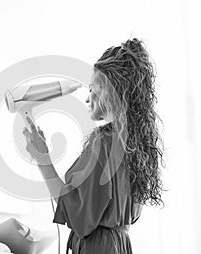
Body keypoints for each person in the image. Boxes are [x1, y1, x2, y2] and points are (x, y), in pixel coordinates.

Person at [23, 38, 165, 254]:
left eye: (92, 89)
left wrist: (42, 158)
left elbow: (75, 211)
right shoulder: (133, 145)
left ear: (110, 90)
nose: (88, 99)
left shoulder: (104, 143)